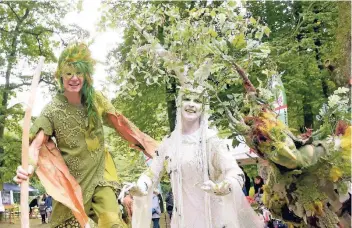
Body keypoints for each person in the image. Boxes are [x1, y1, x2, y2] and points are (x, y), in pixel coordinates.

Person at [14, 43, 157, 227]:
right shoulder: (53, 109)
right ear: (60, 76)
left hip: (101, 175)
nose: (74, 78)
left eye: (79, 73)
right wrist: (28, 168)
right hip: (73, 183)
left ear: (86, 75)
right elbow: (36, 145)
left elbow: (121, 126)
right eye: (69, 74)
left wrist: (152, 149)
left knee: (112, 222)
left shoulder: (96, 100)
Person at [129, 63, 264, 228]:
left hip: (212, 220)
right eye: (187, 99)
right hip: (182, 221)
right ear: (179, 103)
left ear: (203, 107)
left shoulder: (211, 141)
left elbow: (235, 172)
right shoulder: (169, 143)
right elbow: (152, 173)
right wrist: (141, 186)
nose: (191, 104)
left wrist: (224, 185)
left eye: (197, 100)